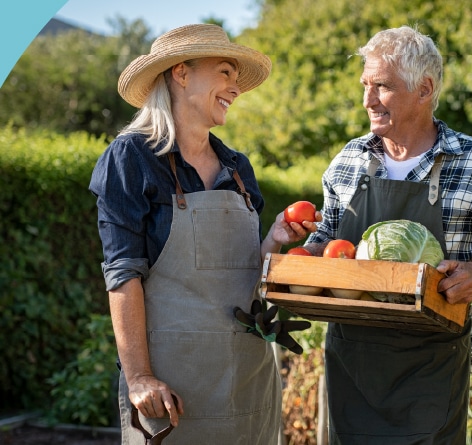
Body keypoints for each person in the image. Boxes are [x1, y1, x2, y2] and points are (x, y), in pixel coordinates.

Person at [303, 25, 472, 444]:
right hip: (351, 369)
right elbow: (324, 244)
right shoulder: (348, 160)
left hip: (430, 372)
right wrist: (303, 251)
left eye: (382, 86)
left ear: (424, 89)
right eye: (365, 85)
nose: (367, 100)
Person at [89, 24, 316, 445]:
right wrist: (139, 377)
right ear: (181, 73)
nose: (235, 87)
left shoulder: (238, 167)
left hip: (248, 384)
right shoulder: (132, 158)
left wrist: (275, 240)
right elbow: (122, 274)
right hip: (174, 393)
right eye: (225, 72)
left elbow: (242, 272)